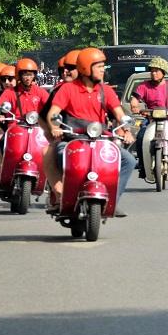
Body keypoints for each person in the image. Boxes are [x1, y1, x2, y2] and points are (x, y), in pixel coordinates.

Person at [41, 47, 136, 217]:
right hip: (72, 140)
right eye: (98, 66)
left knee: (129, 160)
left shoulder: (105, 90)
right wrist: (55, 127)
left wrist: (126, 130)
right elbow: (53, 113)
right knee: (62, 158)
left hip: (100, 140)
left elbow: (119, 114)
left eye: (102, 66)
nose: (102, 70)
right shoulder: (67, 89)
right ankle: (63, 196)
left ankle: (112, 199)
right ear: (86, 68)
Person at [130, 56, 168, 173]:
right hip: (150, 119)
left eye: (156, 71)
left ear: (163, 72)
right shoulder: (143, 86)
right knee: (141, 137)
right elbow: (135, 98)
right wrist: (134, 106)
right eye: (151, 71)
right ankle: (142, 164)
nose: (153, 74)